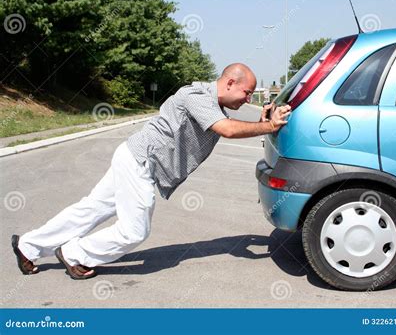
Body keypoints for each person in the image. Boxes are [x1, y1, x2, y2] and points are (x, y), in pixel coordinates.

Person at [12, 63, 291, 280]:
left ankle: (28, 246)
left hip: (133, 158)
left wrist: (260, 122)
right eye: (246, 92)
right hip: (140, 162)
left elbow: (230, 126)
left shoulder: (213, 106)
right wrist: (269, 126)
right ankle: (74, 253)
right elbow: (227, 130)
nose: (247, 99)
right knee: (135, 231)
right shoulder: (196, 94)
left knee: (91, 209)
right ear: (230, 82)